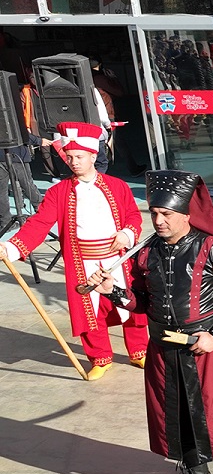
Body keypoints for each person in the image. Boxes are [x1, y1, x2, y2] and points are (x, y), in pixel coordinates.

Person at [90, 170, 213, 474]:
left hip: (207, 349)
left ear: (186, 214)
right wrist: (114, 292)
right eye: (154, 213)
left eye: (166, 214)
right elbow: (143, 301)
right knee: (178, 414)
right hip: (163, 350)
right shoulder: (146, 252)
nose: (159, 220)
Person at [4, 122, 147, 380]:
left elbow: (133, 216)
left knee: (128, 304)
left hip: (117, 258)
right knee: (90, 312)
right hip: (83, 261)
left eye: (79, 157)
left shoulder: (117, 186)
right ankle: (100, 358)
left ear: (93, 156)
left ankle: (139, 351)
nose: (74, 162)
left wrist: (126, 233)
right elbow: (40, 223)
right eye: (69, 157)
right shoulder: (59, 192)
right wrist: (12, 246)